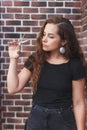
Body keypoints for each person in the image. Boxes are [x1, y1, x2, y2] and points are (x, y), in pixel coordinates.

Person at [7, 16, 86, 130]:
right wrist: (13, 59)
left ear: (63, 41)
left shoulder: (75, 65)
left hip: (62, 121)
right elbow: (13, 88)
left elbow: (79, 103)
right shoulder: (36, 60)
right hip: (37, 120)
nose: (44, 39)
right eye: (44, 34)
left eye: (51, 36)